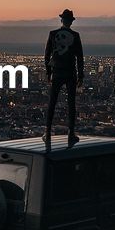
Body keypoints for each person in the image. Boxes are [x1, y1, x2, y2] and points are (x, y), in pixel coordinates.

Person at [44, 8, 83, 146]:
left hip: (57, 72)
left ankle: (47, 132)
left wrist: (49, 72)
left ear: (61, 20)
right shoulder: (76, 36)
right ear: (71, 22)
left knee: (52, 103)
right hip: (71, 72)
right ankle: (71, 133)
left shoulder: (53, 34)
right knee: (71, 104)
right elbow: (80, 57)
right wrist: (80, 76)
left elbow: (47, 55)